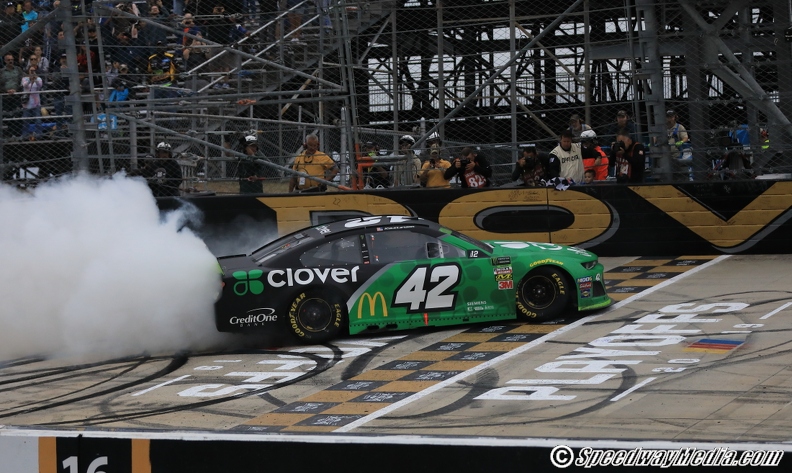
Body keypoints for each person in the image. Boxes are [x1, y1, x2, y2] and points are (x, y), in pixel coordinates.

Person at [2, 53, 24, 138]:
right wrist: (6, 91)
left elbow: (23, 81)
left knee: (17, 114)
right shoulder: (1, 72)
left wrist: (16, 90)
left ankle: (18, 134)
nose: (11, 61)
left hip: (16, 95)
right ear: (5, 61)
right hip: (6, 96)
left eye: (12, 60)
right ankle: (10, 134)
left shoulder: (18, 69)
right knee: (7, 115)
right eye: (8, 60)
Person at [20, 65, 44, 141]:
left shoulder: (39, 79)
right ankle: (25, 135)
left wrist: (35, 79)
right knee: (25, 120)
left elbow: (40, 86)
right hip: (27, 103)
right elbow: (24, 85)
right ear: (28, 71)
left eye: (34, 70)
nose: (32, 72)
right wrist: (30, 80)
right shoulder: (24, 78)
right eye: (31, 70)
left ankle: (39, 135)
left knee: (38, 120)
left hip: (36, 103)